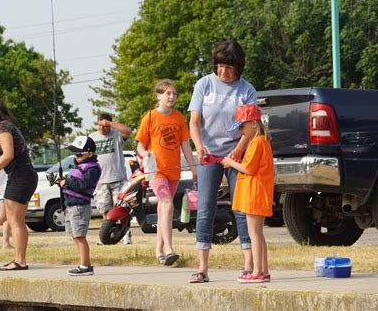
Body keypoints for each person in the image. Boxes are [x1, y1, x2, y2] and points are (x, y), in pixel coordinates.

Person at [188, 40, 257, 283]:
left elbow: (251, 127)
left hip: (236, 154)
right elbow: (194, 121)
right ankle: (202, 268)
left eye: (227, 67)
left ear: (238, 67)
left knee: (241, 208)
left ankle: (249, 265)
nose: (222, 71)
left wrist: (238, 151)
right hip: (209, 154)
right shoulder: (204, 84)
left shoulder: (246, 90)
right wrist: (198, 146)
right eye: (218, 65)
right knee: (205, 208)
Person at [136, 79, 197, 266]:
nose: (172, 97)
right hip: (156, 170)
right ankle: (170, 249)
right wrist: (144, 152)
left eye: (174, 94)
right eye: (168, 93)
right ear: (159, 96)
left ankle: (158, 251)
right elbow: (139, 145)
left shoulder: (179, 117)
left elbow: (185, 145)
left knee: (164, 210)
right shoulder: (150, 117)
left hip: (174, 170)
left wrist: (193, 167)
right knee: (167, 203)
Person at [0, 95, 38, 271]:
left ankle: (20, 261)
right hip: (21, 174)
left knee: (15, 220)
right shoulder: (6, 124)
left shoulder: (2, 127)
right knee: (16, 219)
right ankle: (19, 259)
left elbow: (8, 155)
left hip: (20, 175)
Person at [221, 104, 274, 283]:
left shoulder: (257, 142)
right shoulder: (261, 141)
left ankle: (257, 271)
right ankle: (264, 271)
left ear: (252, 123)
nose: (240, 131)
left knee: (254, 234)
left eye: (242, 127)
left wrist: (230, 162)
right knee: (258, 233)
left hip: (254, 194)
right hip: (257, 193)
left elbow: (248, 169)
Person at [57, 136, 101, 276]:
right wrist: (62, 181)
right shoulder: (79, 165)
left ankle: (85, 266)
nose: (76, 156)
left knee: (80, 236)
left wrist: (67, 183)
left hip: (80, 206)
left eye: (79, 154)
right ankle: (83, 264)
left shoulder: (92, 168)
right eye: (74, 153)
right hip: (71, 206)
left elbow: (83, 185)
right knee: (75, 236)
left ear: (90, 153)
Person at [89, 113, 133, 245]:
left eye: (105, 126)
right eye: (100, 125)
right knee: (105, 210)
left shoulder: (116, 135)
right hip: (100, 181)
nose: (102, 128)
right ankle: (107, 236)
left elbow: (127, 131)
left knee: (122, 209)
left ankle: (126, 235)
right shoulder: (92, 137)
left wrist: (110, 124)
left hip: (117, 178)